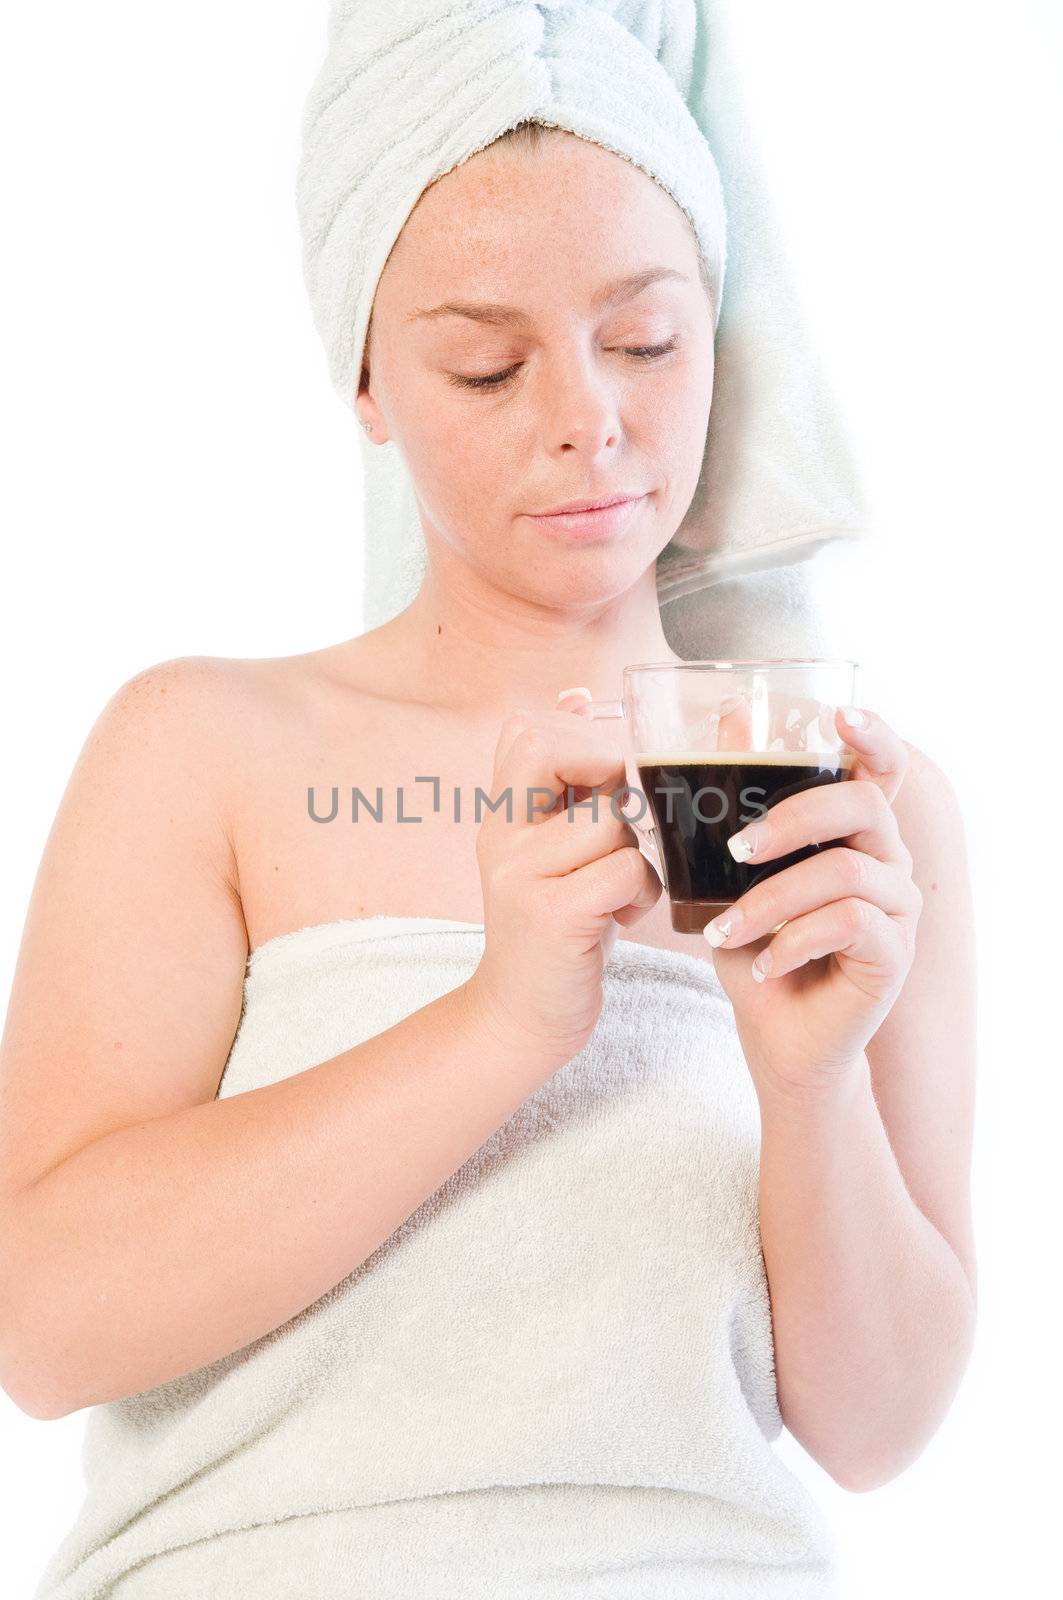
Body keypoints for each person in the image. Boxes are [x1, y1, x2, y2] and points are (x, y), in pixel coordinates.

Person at [2, 122, 976, 1600]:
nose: (588, 417)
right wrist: (505, 1021)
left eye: (646, 339)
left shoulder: (838, 804)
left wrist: (810, 1078)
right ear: (370, 383)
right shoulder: (200, 746)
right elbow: (45, 1325)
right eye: (486, 365)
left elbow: (877, 1428)